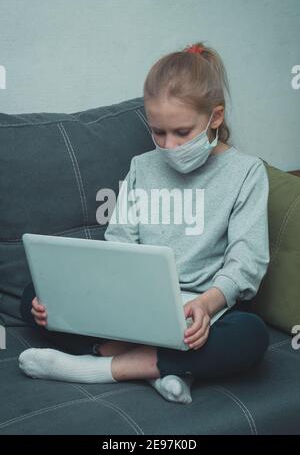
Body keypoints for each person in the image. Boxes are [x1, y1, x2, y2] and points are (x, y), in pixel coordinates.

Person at [19, 41, 270, 405]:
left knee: (251, 335)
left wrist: (209, 303)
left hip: (202, 312)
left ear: (215, 117)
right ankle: (162, 367)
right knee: (33, 296)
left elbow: (247, 260)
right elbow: (120, 242)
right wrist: (85, 297)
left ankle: (100, 366)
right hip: (134, 307)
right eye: (157, 132)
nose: (168, 146)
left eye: (182, 132)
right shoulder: (142, 166)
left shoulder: (246, 172)